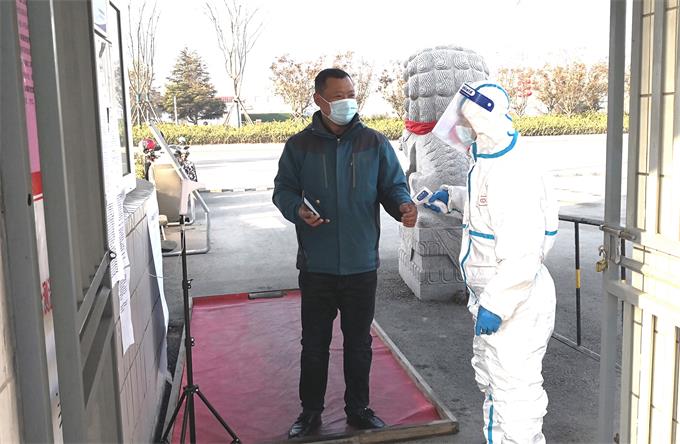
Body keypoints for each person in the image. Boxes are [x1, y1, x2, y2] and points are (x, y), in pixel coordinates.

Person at [273, 68, 418, 439]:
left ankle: (359, 409)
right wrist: (297, 210)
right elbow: (283, 190)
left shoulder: (374, 143)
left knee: (359, 345)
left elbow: (393, 187)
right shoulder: (299, 146)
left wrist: (403, 206)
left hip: (360, 265)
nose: (347, 102)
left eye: (351, 95)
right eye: (338, 97)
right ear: (319, 100)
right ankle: (310, 412)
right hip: (317, 266)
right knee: (314, 345)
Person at [426, 80, 559, 443]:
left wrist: (497, 305)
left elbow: (522, 253)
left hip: (515, 302)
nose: (462, 129)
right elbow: (488, 204)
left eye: (466, 121)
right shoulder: (491, 161)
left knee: (515, 397)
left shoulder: (513, 173)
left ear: (479, 120)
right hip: (498, 298)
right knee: (495, 386)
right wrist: (454, 198)